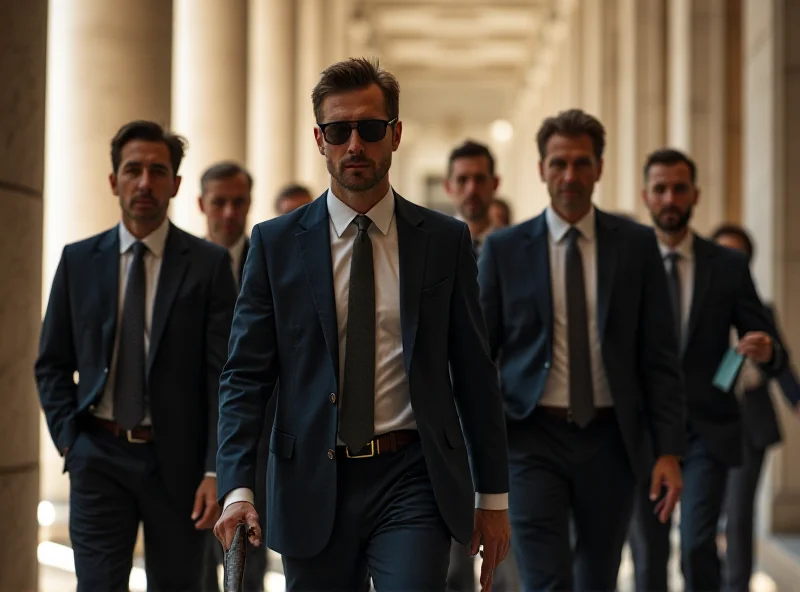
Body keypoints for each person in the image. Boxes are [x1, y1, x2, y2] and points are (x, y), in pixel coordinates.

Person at [213, 57, 511, 591]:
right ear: (319, 138)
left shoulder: (443, 242)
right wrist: (237, 487)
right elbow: (245, 376)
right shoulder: (276, 244)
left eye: (370, 129)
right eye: (339, 130)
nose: (355, 145)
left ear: (394, 135)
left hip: (412, 477)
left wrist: (492, 498)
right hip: (310, 480)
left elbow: (474, 374)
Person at [478, 109, 685, 592]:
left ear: (599, 168)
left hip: (610, 441)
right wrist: (482, 452)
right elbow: (481, 356)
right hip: (531, 440)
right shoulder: (505, 250)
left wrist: (669, 450)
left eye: (581, 163)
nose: (569, 175)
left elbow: (659, 355)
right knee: (545, 580)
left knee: (599, 578)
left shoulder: (636, 245)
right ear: (541, 169)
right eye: (558, 163)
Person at [35, 120, 237, 591]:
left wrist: (215, 469)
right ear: (113, 181)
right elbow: (52, 363)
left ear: (176, 184)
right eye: (132, 170)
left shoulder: (208, 266)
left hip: (182, 469)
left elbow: (222, 377)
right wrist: (71, 442)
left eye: (157, 170)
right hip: (98, 456)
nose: (144, 182)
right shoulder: (78, 261)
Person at [629, 149, 787, 592]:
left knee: (698, 544)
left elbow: (768, 343)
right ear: (646, 195)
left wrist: (767, 350)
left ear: (695, 194)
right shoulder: (626, 261)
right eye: (660, 189)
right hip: (643, 430)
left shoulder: (728, 265)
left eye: (679, 188)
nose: (670, 198)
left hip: (707, 430)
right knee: (648, 553)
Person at [443, 139, 519, 592]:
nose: (471, 189)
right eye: (463, 179)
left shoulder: (516, 254)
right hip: (445, 430)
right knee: (450, 563)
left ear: (495, 184)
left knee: (505, 562)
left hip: (507, 427)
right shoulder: (432, 252)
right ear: (451, 186)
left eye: (479, 179)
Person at [710, 223, 800, 591]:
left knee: (739, 512)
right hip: (707, 420)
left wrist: (797, 400)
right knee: (704, 515)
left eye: (739, 257)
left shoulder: (761, 309)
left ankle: (736, 586)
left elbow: (781, 362)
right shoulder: (695, 308)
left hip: (750, 419)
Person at [197, 161, 269, 591]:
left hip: (256, 444)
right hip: (194, 446)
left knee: (247, 570)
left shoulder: (268, 259)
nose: (228, 212)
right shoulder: (185, 266)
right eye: (218, 202)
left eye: (238, 202)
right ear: (200, 204)